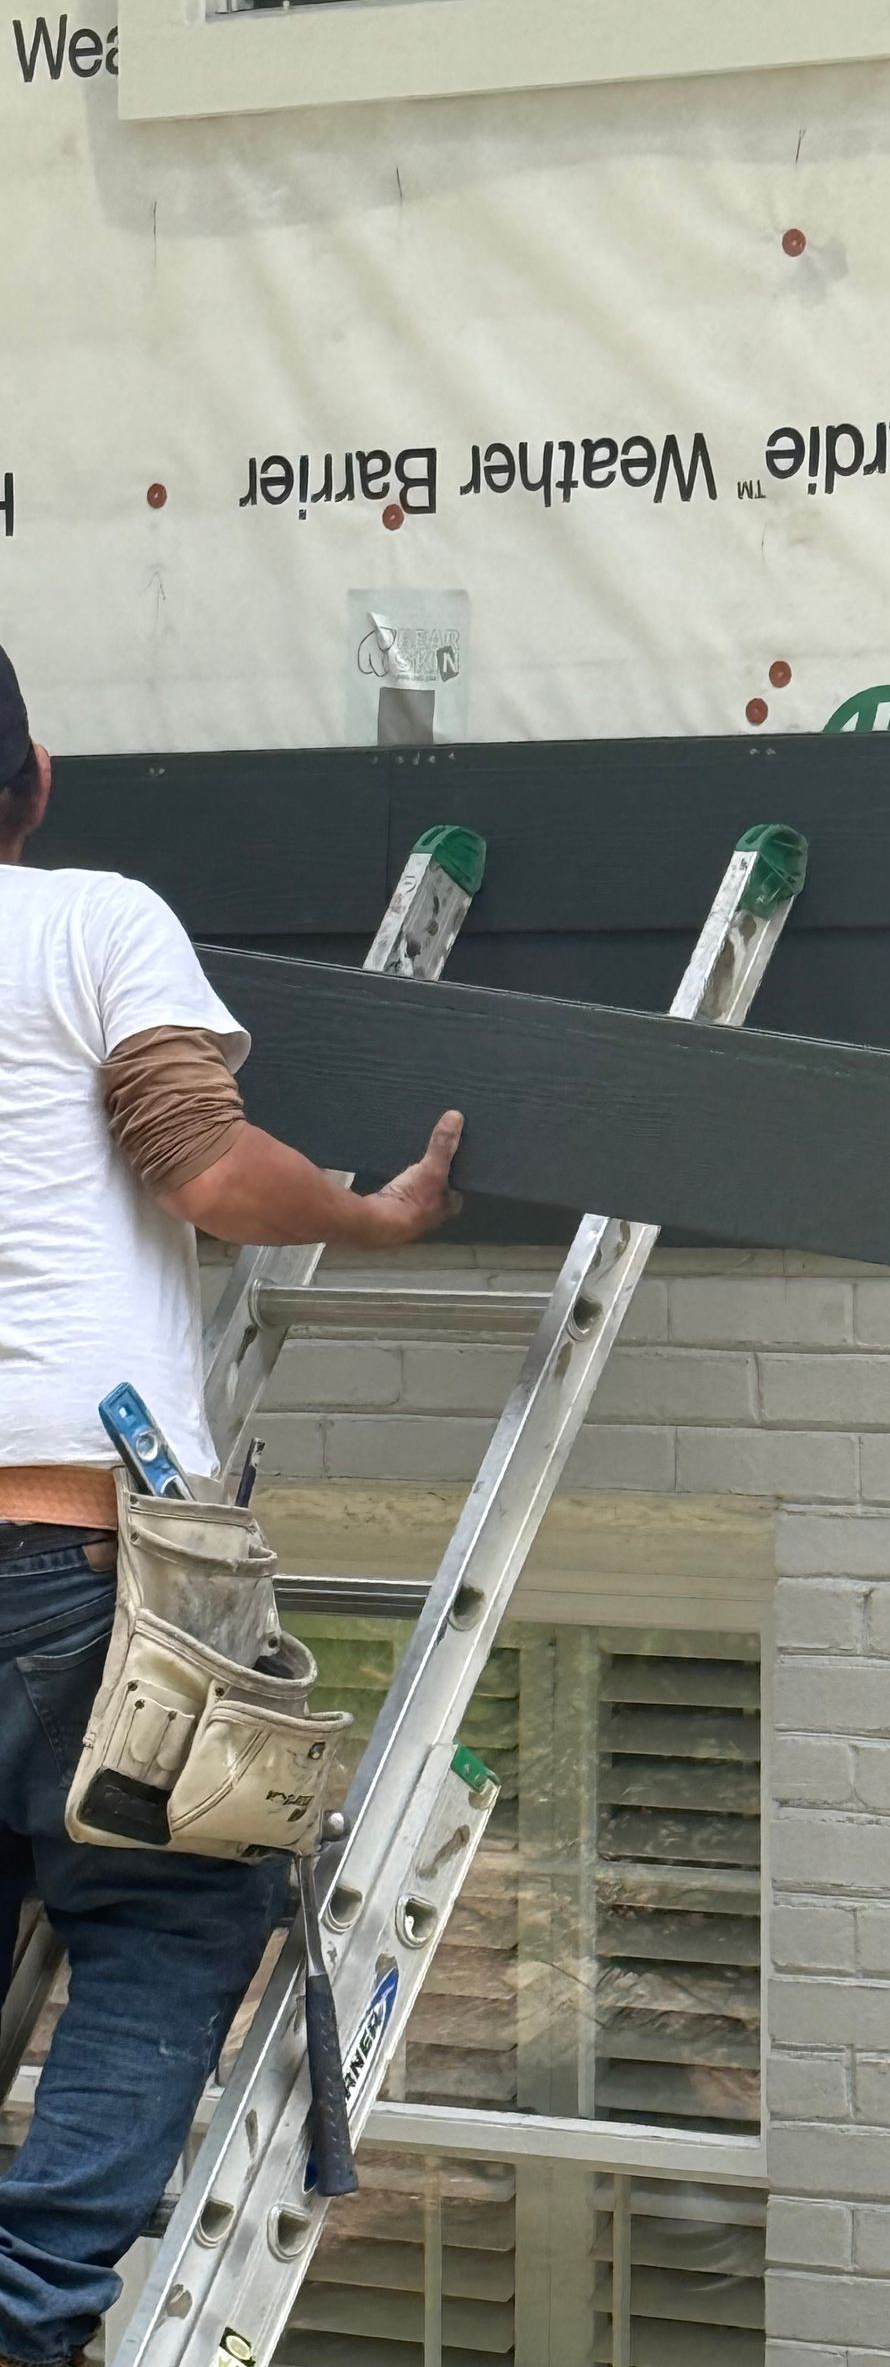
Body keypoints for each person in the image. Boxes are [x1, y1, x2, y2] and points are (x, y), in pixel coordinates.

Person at [0, 647, 463, 2367]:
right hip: (71, 1541)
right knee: (167, 1914)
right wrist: (374, 1213)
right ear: (37, 779)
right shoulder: (89, 921)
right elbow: (199, 1161)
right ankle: (23, 2317)